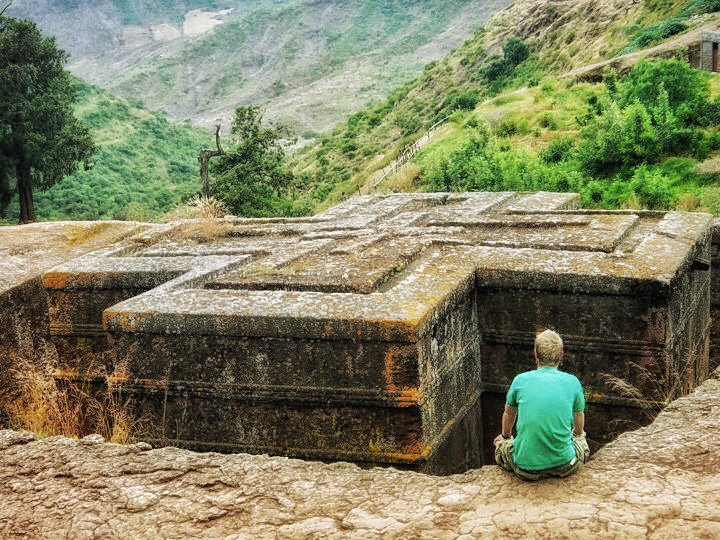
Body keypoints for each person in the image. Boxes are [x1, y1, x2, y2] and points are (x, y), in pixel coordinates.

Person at [494, 329, 590, 481]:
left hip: (525, 468)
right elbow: (578, 416)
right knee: (581, 440)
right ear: (561, 355)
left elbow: (509, 413)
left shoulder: (520, 380)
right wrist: (578, 436)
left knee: (500, 444)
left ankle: (505, 445)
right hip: (566, 465)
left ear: (535, 354)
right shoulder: (572, 382)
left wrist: (506, 437)